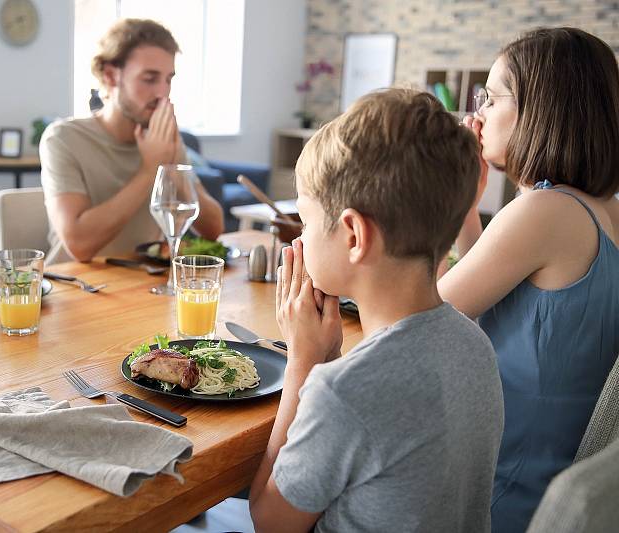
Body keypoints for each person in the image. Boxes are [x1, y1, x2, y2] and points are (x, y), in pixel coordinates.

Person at [248, 88, 504, 532]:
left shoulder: (342, 392)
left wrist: (303, 364)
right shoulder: (475, 345)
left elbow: (270, 522)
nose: (302, 240)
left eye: (306, 221)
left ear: (353, 235)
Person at [438, 27, 619, 532]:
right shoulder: (599, 210)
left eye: (491, 98)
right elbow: (493, 303)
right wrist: (469, 210)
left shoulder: (546, 210)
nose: (477, 115)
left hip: (506, 492)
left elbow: (422, 317)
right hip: (556, 472)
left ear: (541, 109)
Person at [40, 18, 224, 263]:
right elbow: (79, 245)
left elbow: (213, 229)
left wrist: (173, 162)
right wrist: (151, 168)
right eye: (149, 79)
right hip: (76, 289)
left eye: (168, 79)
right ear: (110, 77)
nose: (162, 92)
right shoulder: (63, 139)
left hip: (143, 284)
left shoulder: (164, 139)